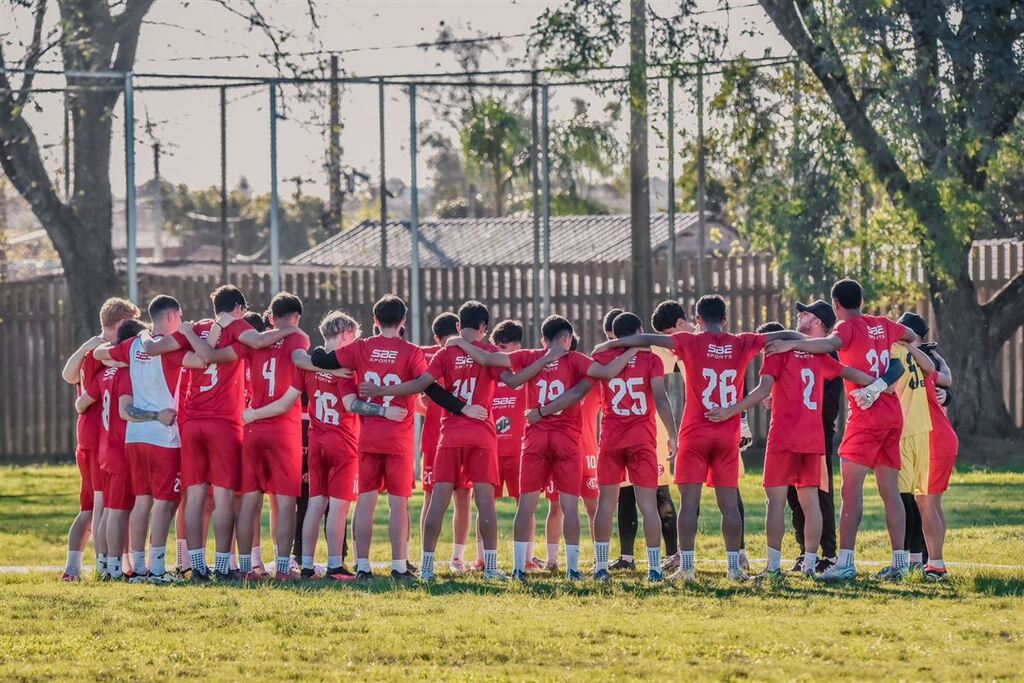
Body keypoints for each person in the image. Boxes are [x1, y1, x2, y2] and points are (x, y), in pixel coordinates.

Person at [595, 294, 803, 581]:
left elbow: (645, 339)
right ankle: (733, 568)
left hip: (694, 433)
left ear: (698, 321)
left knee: (689, 504)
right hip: (727, 432)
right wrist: (796, 343)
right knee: (729, 505)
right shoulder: (743, 341)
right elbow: (789, 334)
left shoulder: (689, 341)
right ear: (725, 320)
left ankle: (687, 568)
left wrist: (610, 344)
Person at [309, 294, 479, 581]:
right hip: (399, 438)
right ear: (403, 321)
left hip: (368, 437)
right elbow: (433, 389)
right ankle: (399, 566)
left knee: (366, 501)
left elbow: (319, 357)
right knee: (398, 503)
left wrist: (329, 362)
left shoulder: (361, 348)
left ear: (375, 321)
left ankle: (363, 567)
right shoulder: (411, 352)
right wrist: (463, 408)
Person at [141, 285, 302, 582]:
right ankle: (224, 564)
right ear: (238, 309)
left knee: (196, 495)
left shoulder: (199, 326)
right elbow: (257, 339)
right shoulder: (236, 326)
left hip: (191, 422)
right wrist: (291, 331)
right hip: (224, 422)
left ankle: (197, 565)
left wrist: (177, 335)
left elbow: (152, 348)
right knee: (226, 496)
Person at [367, 301, 537, 580]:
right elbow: (513, 379)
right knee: (485, 503)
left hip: (449, 435)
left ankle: (426, 567)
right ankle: (491, 567)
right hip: (481, 434)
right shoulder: (490, 350)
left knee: (437, 503)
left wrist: (381, 389)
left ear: (458, 326)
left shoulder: (446, 354)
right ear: (484, 327)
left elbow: (420, 385)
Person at [765, 278, 921, 582]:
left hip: (865, 417)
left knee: (851, 493)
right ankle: (900, 564)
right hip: (893, 413)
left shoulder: (846, 328)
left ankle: (846, 562)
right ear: (861, 300)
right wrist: (888, 360)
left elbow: (829, 346)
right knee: (891, 493)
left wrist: (792, 343)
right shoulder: (884, 323)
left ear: (836, 305)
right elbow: (913, 336)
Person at [707, 320, 883, 580]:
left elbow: (763, 390)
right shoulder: (816, 355)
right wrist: (880, 383)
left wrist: (731, 411)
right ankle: (810, 564)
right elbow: (848, 371)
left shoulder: (776, 354)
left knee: (775, 503)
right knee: (810, 502)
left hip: (783, 437)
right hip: (812, 438)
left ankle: (773, 567)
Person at [452, 315, 593, 580]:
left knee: (525, 504)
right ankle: (573, 570)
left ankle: (519, 567)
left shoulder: (529, 357)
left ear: (542, 340)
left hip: (533, 439)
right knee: (569, 505)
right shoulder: (575, 359)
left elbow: (489, 361)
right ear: (568, 340)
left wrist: (460, 341)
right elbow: (600, 374)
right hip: (566, 438)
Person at [539, 312, 676, 581]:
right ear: (639, 329)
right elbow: (660, 399)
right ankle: (655, 568)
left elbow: (578, 391)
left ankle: (601, 567)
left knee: (605, 504)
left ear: (614, 334)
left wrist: (544, 411)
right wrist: (673, 434)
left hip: (612, 438)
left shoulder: (602, 358)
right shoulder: (651, 359)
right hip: (642, 438)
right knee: (647, 505)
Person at [94, 296, 191, 584]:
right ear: (173, 315)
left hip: (135, 437)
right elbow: (201, 358)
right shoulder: (172, 345)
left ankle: (137, 567)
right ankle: (157, 569)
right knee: (163, 503)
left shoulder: (134, 344)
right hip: (164, 435)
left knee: (142, 501)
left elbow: (102, 353)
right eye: (180, 316)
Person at [60, 297, 140, 581]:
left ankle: (77, 567)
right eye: (131, 322)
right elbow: (82, 389)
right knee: (100, 504)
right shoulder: (102, 352)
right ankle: (103, 565)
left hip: (90, 433)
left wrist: (84, 348)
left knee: (91, 504)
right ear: (122, 322)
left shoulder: (92, 348)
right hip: (99, 435)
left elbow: (69, 375)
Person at [613, 301, 687, 572]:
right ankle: (628, 557)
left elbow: (679, 368)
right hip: (637, 433)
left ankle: (672, 553)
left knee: (659, 493)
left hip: (648, 433)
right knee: (628, 496)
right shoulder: (637, 356)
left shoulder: (649, 354)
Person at [75, 319, 149, 580]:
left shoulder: (105, 372)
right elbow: (125, 410)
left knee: (106, 509)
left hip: (104, 448)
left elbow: (82, 402)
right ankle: (114, 569)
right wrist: (155, 416)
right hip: (120, 449)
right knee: (117, 510)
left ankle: (105, 564)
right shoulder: (128, 373)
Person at [784, 300, 844, 574]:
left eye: (805, 313)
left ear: (819, 322)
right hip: (791, 436)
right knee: (793, 495)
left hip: (815, 435)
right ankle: (804, 551)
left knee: (820, 493)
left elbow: (827, 406)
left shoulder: (828, 356)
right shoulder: (797, 350)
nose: (799, 315)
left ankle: (828, 553)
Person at [479, 319, 539, 571]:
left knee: (524, 504)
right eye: (496, 346)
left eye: (504, 346)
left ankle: (527, 556)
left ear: (517, 345)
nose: (499, 351)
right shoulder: (491, 372)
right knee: (484, 504)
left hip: (519, 451)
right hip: (491, 450)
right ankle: (482, 558)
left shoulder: (525, 373)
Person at [420, 312, 474, 573]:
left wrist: (425, 406)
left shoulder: (426, 354)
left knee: (436, 497)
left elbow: (416, 396)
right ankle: (456, 558)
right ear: (458, 328)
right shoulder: (434, 355)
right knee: (459, 496)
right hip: (444, 435)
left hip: (439, 437)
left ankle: (433, 558)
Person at [890, 312, 936, 572]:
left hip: (907, 429)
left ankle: (908, 559)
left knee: (905, 496)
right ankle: (918, 559)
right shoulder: (915, 352)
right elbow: (931, 370)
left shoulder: (899, 348)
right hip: (920, 428)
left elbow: (931, 370)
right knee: (913, 496)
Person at [919, 339, 958, 581]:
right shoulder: (931, 374)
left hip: (935, 441)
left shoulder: (920, 374)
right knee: (932, 502)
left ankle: (936, 565)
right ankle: (936, 561)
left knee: (925, 502)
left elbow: (945, 379)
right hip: (942, 439)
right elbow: (946, 377)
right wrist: (938, 357)